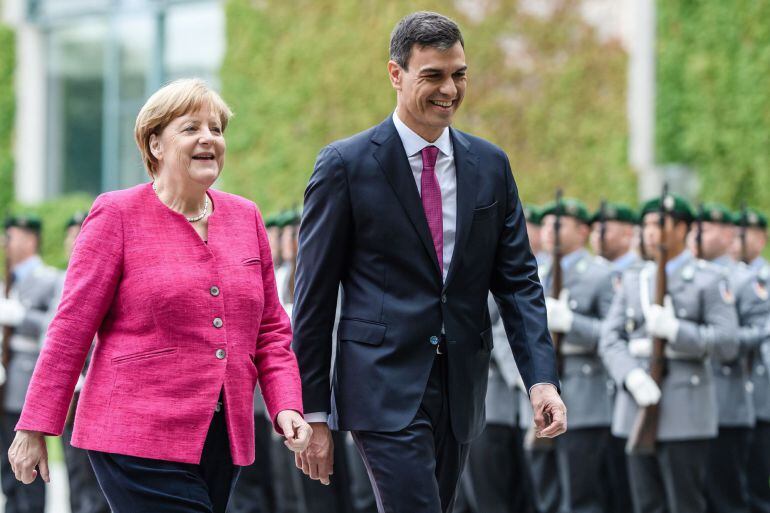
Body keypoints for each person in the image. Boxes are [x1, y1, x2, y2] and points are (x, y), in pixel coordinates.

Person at [292, 11, 565, 513]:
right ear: (395, 75)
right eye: (433, 75)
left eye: (459, 74)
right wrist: (312, 412)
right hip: (380, 385)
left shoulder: (491, 165)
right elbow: (313, 297)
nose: (450, 89)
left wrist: (540, 379)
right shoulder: (345, 166)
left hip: (461, 384)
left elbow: (519, 283)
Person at [7, 78, 311, 513]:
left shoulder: (246, 217)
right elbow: (71, 327)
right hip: (133, 433)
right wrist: (34, 425)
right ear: (155, 144)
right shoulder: (116, 214)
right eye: (191, 128)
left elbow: (270, 332)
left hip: (223, 437)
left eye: (217, 129)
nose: (209, 138)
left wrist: (287, 407)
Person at [600, 194, 739, 513]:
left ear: (683, 229)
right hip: (636, 405)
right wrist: (630, 375)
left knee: (684, 503)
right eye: (646, 224)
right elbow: (610, 337)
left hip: (685, 411)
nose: (650, 232)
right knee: (646, 503)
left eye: (659, 224)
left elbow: (727, 342)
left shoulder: (708, 279)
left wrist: (678, 331)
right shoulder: (636, 279)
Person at [539, 199, 615, 513]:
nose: (550, 231)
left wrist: (572, 324)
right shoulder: (534, 270)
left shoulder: (600, 274)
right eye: (545, 225)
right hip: (540, 396)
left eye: (559, 224)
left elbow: (612, 334)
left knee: (581, 496)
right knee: (545, 492)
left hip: (584, 399)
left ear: (583, 230)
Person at [695, 204, 764, 513]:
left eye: (706, 228)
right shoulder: (686, 275)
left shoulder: (743, 280)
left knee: (728, 497)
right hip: (688, 404)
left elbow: (761, 331)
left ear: (727, 235)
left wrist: (719, 340)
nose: (696, 235)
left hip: (727, 401)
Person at [0, 215, 60, 513]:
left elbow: (56, 325)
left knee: (28, 476)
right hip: (4, 383)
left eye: (9, 237)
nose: (5, 244)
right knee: (6, 472)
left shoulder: (50, 278)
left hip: (27, 385)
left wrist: (20, 315)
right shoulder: (5, 280)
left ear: (28, 239)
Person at [55, 211, 111, 513]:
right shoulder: (58, 281)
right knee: (75, 473)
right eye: (72, 234)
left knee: (97, 480)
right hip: (71, 389)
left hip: (96, 387)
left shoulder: (108, 275)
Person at [589, 202, 637, 513]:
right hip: (594, 399)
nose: (598, 235)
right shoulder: (592, 273)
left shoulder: (639, 274)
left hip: (631, 395)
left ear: (628, 232)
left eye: (606, 227)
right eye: (594, 228)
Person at [734, 208, 770, 513]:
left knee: (758, 483)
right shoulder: (728, 276)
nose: (740, 240)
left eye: (747, 234)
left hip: (761, 394)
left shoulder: (763, 278)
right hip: (737, 395)